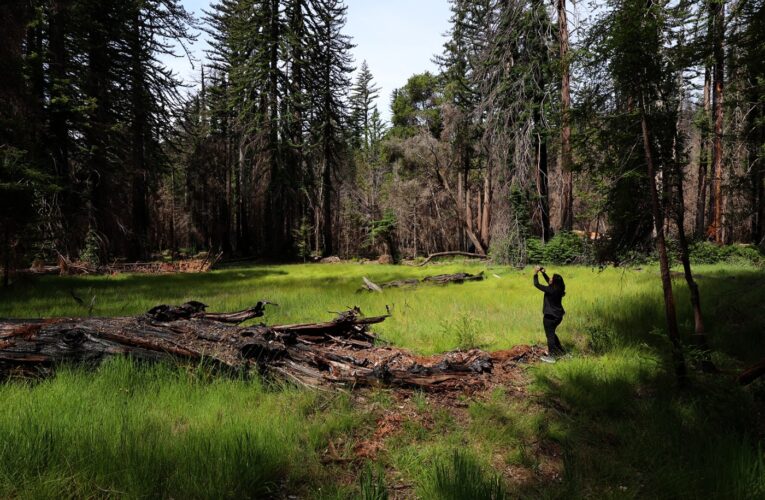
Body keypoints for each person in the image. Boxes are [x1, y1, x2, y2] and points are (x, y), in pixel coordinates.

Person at [533, 265, 566, 363]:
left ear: (554, 282)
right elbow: (549, 282)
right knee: (552, 334)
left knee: (550, 336)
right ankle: (560, 352)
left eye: (552, 278)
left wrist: (535, 273)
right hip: (558, 316)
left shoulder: (551, 290)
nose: (550, 279)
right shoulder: (559, 289)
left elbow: (537, 284)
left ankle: (552, 357)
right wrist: (543, 273)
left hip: (550, 317)